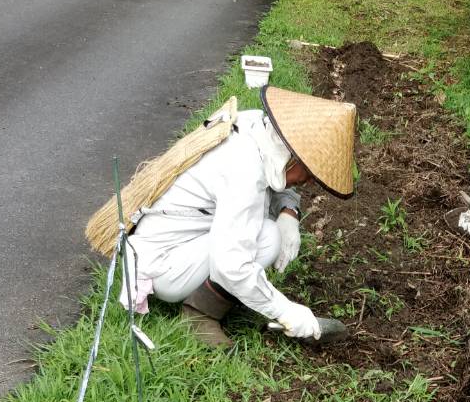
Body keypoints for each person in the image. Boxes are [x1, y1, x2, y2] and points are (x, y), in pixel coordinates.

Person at [120, 86, 357, 348]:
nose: (308, 182)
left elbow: (279, 180)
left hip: (173, 239)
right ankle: (200, 313)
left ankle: (223, 296)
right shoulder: (244, 173)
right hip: (164, 266)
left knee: (265, 231)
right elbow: (232, 266)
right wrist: (288, 313)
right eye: (310, 174)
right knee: (267, 238)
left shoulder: (256, 127)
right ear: (294, 156)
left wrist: (289, 212)